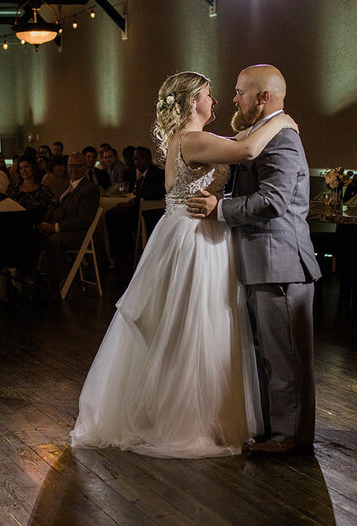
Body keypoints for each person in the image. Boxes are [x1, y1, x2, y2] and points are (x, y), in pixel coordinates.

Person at [70, 70, 297, 458]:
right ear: (193, 102)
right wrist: (280, 120)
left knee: (182, 328)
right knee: (195, 326)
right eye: (210, 94)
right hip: (195, 239)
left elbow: (238, 141)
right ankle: (188, 420)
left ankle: (182, 413)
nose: (217, 101)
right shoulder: (192, 140)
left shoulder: (187, 140)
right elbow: (245, 151)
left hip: (182, 233)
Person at [188, 64, 319, 455]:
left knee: (286, 358)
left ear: (263, 97)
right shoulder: (263, 134)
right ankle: (273, 431)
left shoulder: (283, 139)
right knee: (267, 354)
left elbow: (275, 201)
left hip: (281, 261)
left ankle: (291, 438)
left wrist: (220, 209)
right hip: (261, 260)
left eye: (240, 92)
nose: (234, 98)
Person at [36, 152, 101, 292]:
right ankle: (35, 279)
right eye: (70, 166)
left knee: (52, 241)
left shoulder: (89, 189)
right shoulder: (66, 186)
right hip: (60, 227)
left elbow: (83, 219)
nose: (73, 169)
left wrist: (55, 227)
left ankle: (54, 285)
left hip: (77, 233)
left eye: (77, 166)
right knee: (34, 236)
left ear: (85, 168)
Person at [104, 145, 165, 268]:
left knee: (115, 217)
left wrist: (132, 202)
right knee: (111, 214)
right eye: (135, 159)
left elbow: (154, 192)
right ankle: (124, 253)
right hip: (140, 208)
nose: (138, 162)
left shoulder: (157, 173)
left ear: (149, 158)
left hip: (151, 212)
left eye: (141, 158)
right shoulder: (140, 175)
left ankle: (125, 255)